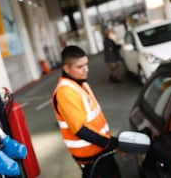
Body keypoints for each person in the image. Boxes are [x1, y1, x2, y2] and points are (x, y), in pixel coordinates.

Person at [51, 45, 121, 178]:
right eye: (80, 67)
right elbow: (80, 130)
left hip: (100, 149)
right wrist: (110, 143)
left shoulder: (80, 83)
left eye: (86, 64)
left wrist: (108, 144)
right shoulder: (65, 92)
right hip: (90, 154)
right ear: (66, 68)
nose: (86, 70)